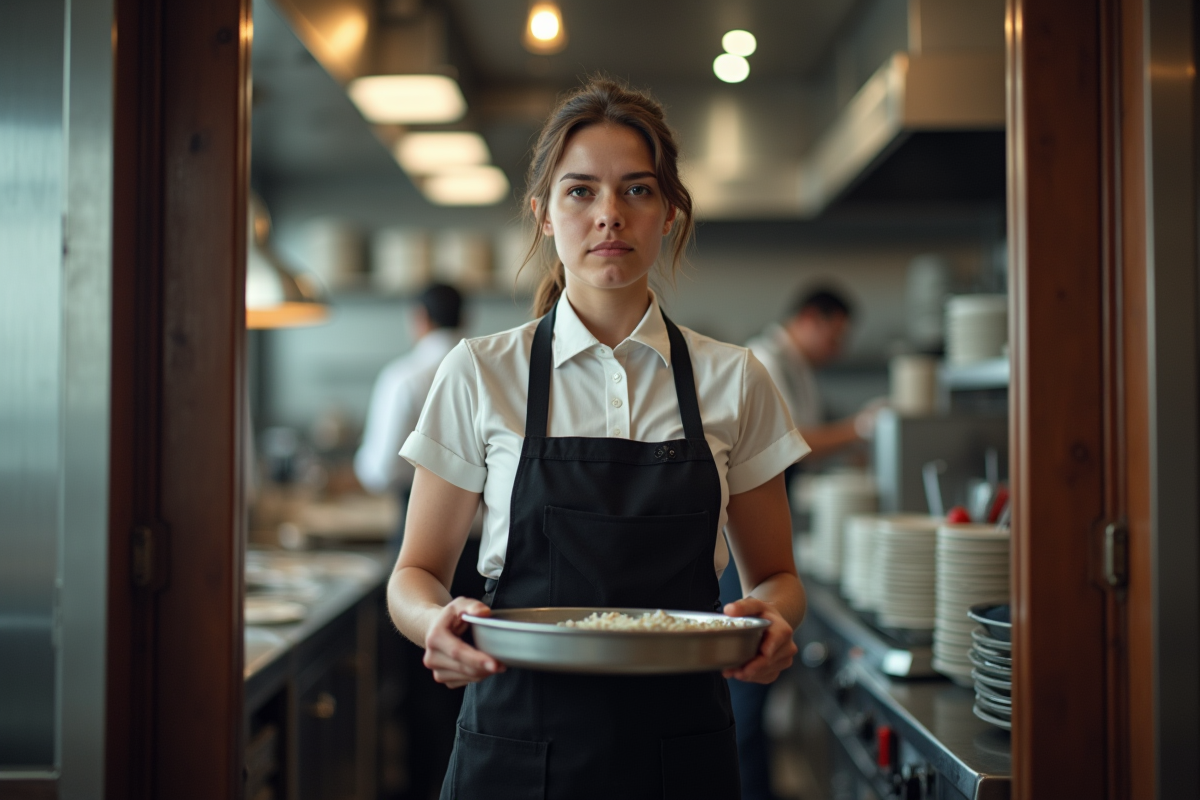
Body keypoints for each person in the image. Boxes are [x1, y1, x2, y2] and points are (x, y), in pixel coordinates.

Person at [387, 78, 809, 800]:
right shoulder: (480, 372)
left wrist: (770, 619)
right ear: (544, 214)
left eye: (637, 190)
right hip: (515, 749)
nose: (609, 214)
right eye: (580, 191)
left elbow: (777, 577)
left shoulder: (736, 378)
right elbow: (415, 574)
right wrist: (435, 621)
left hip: (680, 756)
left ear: (669, 212)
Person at [356, 283, 485, 800]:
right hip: (483, 553)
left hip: (421, 541)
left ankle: (424, 787)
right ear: (465, 317)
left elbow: (377, 470)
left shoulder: (404, 376)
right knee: (478, 676)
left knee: (424, 679)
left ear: (418, 319)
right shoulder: (483, 372)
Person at [747, 287, 876, 460]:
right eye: (834, 339)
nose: (838, 352)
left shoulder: (799, 365)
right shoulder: (764, 359)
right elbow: (788, 443)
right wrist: (860, 427)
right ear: (810, 318)